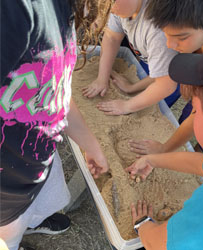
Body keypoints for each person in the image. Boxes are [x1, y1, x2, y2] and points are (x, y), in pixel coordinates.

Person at [126, 20, 203, 250]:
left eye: (193, 107)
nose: (192, 114)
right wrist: (153, 159)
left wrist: (143, 224)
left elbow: (158, 243)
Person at [0, 1, 113, 249]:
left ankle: (28, 224)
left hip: (29, 174)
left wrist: (90, 143)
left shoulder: (61, 7)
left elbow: (52, 89)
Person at [128, 0, 203, 156]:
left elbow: (200, 113)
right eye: (165, 34)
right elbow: (166, 72)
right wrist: (132, 87)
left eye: (180, 38)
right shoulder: (194, 24)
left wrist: (163, 149)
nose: (170, 45)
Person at [82, 0, 180, 115]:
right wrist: (102, 78)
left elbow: (165, 84)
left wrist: (126, 105)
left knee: (155, 107)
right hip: (152, 60)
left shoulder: (158, 31)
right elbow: (112, 37)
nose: (107, 9)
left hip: (177, 75)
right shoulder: (118, 6)